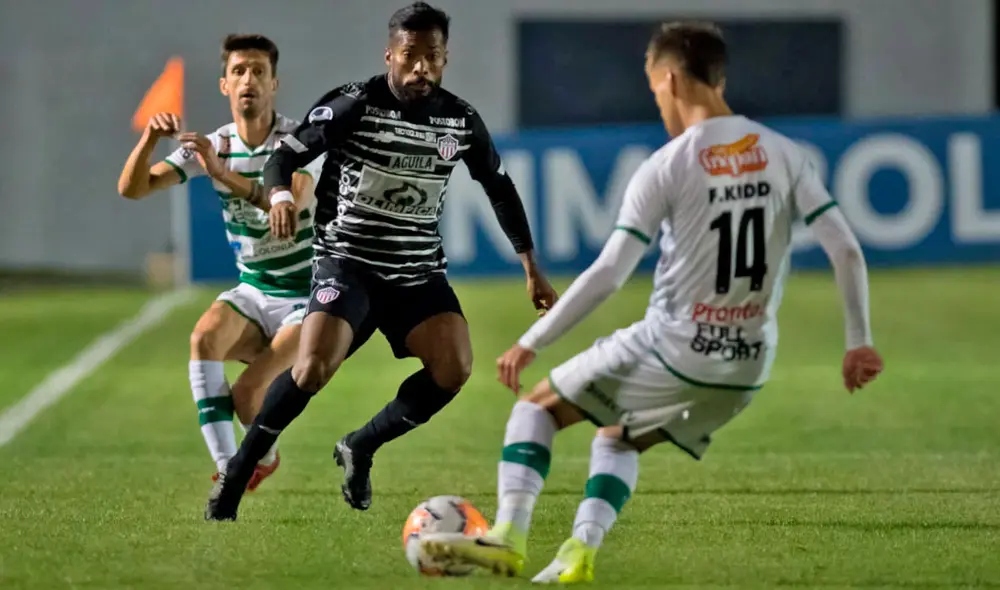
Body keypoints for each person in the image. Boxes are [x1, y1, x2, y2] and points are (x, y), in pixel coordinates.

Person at [418, 21, 885, 584]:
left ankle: (508, 537)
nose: (656, 100)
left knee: (535, 410)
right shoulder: (786, 154)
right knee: (619, 434)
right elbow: (847, 250)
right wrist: (858, 342)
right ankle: (578, 552)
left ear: (670, 79)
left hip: (674, 344)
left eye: (654, 88)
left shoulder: (668, 165)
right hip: (746, 366)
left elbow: (611, 272)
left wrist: (530, 341)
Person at [204, 2, 558, 521]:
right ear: (389, 53)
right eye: (410, 56)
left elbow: (499, 188)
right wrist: (279, 196)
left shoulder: (458, 120)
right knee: (312, 368)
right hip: (347, 262)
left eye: (431, 57)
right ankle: (236, 475)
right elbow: (285, 156)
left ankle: (361, 446)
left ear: (444, 58)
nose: (421, 68)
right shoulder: (355, 104)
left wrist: (530, 265)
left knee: (454, 368)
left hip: (416, 273)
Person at [117, 34, 322, 490]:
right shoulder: (214, 145)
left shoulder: (300, 141)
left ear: (274, 83)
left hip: (310, 296)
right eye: (239, 71)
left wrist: (219, 173)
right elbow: (133, 188)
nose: (248, 79)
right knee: (204, 337)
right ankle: (233, 470)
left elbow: (291, 202)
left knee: (248, 395)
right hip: (254, 289)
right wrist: (150, 138)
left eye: (258, 71)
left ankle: (250, 458)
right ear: (224, 85)